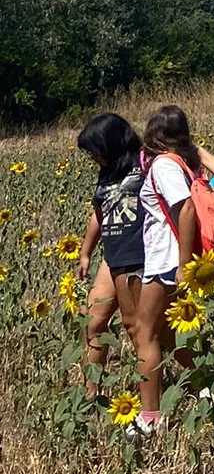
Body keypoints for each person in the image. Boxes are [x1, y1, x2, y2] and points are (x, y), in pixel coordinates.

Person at [133, 106, 204, 439]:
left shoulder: (164, 165)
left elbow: (186, 207)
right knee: (167, 332)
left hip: (166, 260)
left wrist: (184, 265)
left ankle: (149, 417)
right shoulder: (182, 163)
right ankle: (209, 381)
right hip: (169, 259)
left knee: (144, 333)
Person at [75, 114, 146, 393]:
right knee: (92, 321)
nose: (93, 158)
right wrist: (85, 253)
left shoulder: (145, 163)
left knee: (137, 327)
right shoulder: (107, 172)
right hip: (112, 255)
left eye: (96, 151)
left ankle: (150, 391)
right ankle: (90, 394)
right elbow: (99, 213)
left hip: (140, 255)